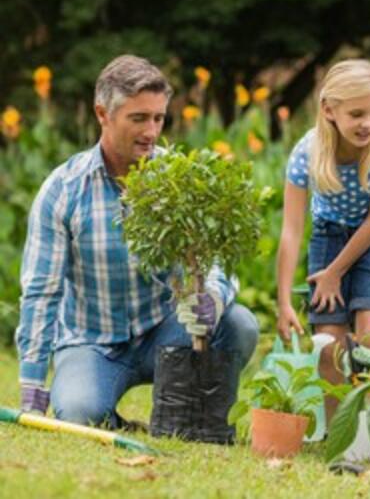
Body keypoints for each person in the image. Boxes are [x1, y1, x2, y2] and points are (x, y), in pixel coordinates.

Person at [15, 55, 259, 426]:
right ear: (103, 114)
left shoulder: (178, 179)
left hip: (167, 331)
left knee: (239, 325)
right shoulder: (63, 190)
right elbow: (40, 294)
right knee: (80, 412)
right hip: (92, 342)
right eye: (139, 118)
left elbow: (213, 262)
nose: (151, 131)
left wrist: (211, 295)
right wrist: (32, 387)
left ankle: (200, 418)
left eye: (159, 118)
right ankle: (114, 420)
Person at [275, 58, 370, 415]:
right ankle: (340, 433)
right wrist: (284, 300)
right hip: (328, 235)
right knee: (327, 346)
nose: (368, 124)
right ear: (329, 110)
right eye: (357, 114)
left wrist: (335, 272)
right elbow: (291, 230)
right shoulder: (307, 153)